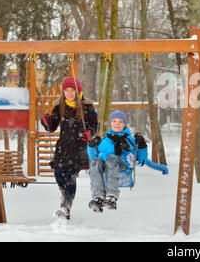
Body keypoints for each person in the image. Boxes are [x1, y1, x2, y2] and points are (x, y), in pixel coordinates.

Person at [41, 77, 98, 220]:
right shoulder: (59, 107)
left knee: (70, 175)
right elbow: (52, 127)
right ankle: (65, 195)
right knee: (59, 173)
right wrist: (46, 121)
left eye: (72, 90)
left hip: (79, 148)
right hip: (63, 147)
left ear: (78, 91)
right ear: (63, 92)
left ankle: (66, 204)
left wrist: (89, 133)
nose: (70, 93)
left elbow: (94, 125)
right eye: (67, 90)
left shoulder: (87, 107)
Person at [87, 110, 148, 212]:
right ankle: (98, 198)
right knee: (95, 162)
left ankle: (111, 196)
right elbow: (93, 156)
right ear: (110, 123)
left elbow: (141, 160)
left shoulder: (131, 140)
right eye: (114, 121)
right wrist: (91, 146)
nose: (117, 124)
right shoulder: (105, 140)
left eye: (120, 121)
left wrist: (141, 145)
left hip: (122, 166)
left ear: (124, 124)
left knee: (112, 158)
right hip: (105, 167)